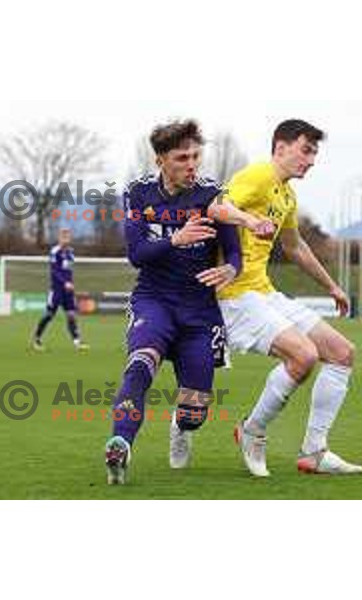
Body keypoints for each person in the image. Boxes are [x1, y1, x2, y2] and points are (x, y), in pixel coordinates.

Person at [105, 119, 272, 485]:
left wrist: (230, 269)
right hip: (154, 300)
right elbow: (137, 254)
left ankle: (180, 427)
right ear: (161, 160)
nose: (192, 164)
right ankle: (120, 444)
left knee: (195, 412)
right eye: (182, 157)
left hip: (200, 310)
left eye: (196, 156)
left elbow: (233, 252)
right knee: (139, 366)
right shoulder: (138, 193)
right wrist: (175, 239)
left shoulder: (211, 193)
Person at [218, 119, 362, 477]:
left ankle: (315, 451)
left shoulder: (286, 194)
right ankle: (252, 430)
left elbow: (294, 247)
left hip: (264, 292)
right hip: (233, 294)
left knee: (342, 353)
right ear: (280, 147)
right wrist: (246, 223)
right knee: (304, 356)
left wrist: (331, 286)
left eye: (314, 152)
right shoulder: (257, 176)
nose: (311, 160)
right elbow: (217, 210)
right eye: (306, 150)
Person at [32, 227, 89, 352]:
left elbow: (68, 271)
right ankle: (37, 338)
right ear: (59, 238)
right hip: (57, 289)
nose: (66, 238)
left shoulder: (70, 253)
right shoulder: (55, 251)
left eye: (67, 236)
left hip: (68, 291)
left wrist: (70, 284)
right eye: (63, 236)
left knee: (71, 315)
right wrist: (65, 283)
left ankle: (77, 342)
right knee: (49, 315)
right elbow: (54, 271)